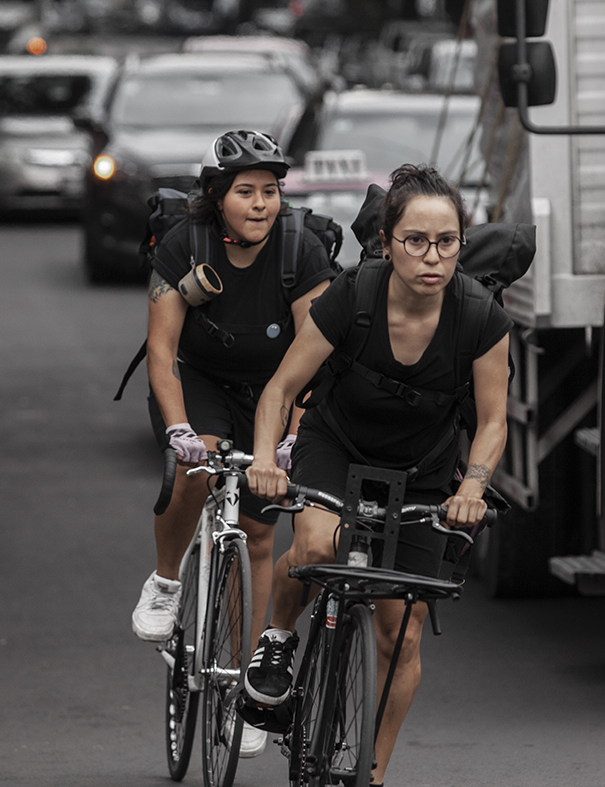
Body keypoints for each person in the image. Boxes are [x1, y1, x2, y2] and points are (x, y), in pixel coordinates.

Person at [245, 164, 511, 785]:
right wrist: (264, 460)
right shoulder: (354, 296)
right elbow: (282, 388)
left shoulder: (480, 318)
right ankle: (280, 637)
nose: (432, 257)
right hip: (337, 444)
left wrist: (471, 488)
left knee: (403, 631)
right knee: (316, 543)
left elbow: (494, 422)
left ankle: (372, 773)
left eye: (447, 242)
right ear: (388, 243)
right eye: (415, 241)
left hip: (422, 471)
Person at [129, 129, 335, 758]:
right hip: (204, 380)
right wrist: (178, 430)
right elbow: (161, 354)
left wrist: (294, 438)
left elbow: (312, 361)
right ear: (217, 196)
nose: (260, 204)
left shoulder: (302, 250)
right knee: (196, 472)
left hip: (275, 387)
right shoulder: (182, 243)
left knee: (258, 530)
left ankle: (246, 682)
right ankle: (166, 581)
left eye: (270, 191)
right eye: (245, 191)